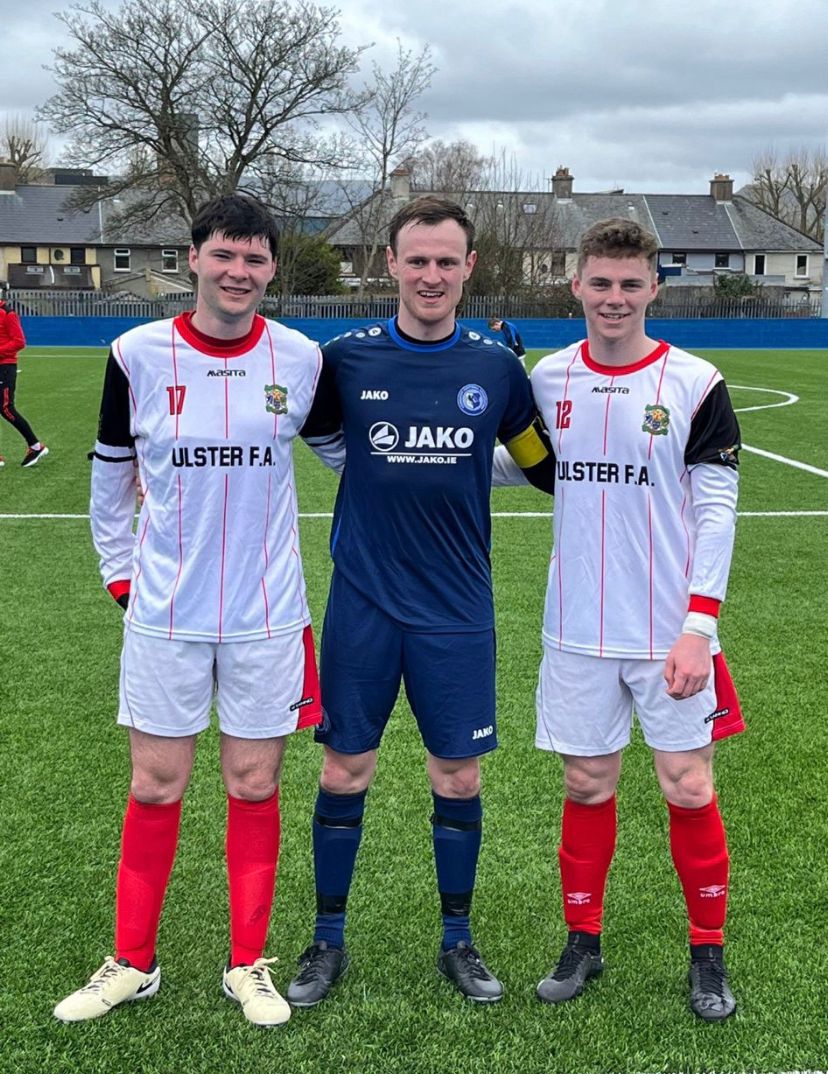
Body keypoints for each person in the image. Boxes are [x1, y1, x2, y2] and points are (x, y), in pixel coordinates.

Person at [53, 193, 329, 1028]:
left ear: (272, 268)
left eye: (254, 259)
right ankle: (133, 962)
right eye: (224, 255)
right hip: (166, 615)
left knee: (254, 783)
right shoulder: (135, 353)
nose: (238, 272)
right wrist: (120, 576)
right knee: (156, 784)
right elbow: (109, 475)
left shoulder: (302, 357)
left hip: (268, 614)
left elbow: (357, 453)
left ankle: (248, 964)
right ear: (195, 259)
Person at [287, 196, 555, 1007]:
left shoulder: (496, 368)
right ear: (391, 264)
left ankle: (458, 942)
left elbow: (541, 465)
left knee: (459, 778)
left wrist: (472, 463)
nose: (431, 274)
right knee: (344, 768)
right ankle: (325, 941)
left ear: (469, 268)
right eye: (417, 260)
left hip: (457, 608)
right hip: (363, 603)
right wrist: (373, 469)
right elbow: (323, 437)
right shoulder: (347, 360)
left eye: (447, 261)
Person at [503, 218, 744, 1021]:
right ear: (575, 284)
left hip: (667, 632)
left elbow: (716, 513)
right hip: (576, 628)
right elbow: (520, 466)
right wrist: (428, 447)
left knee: (687, 785)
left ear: (653, 290)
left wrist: (698, 628)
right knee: (586, 780)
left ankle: (707, 953)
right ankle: (584, 939)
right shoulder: (549, 378)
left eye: (629, 284)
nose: (614, 298)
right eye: (600, 283)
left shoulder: (695, 382)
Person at [0, 294, 48, 467]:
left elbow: (19, 342)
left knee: (5, 407)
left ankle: (35, 446)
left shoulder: (8, 313)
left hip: (5, 366)